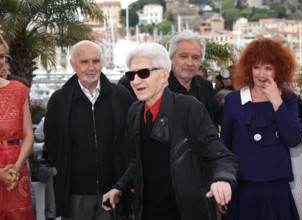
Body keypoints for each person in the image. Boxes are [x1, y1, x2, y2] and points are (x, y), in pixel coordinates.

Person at [102, 42, 238, 220]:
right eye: (131, 75)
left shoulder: (189, 108)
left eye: (143, 73)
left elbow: (222, 156)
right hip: (146, 213)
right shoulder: (135, 112)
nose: (136, 81)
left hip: (185, 213)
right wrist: (119, 187)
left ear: (164, 74)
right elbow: (136, 163)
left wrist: (222, 179)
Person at [44, 40, 132, 219]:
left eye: (96, 61)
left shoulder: (121, 96)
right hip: (76, 194)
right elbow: (53, 142)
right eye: (84, 62)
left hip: (114, 192)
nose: (91, 67)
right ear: (73, 65)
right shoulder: (59, 100)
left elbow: (129, 141)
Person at [220, 38, 302, 220]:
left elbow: (294, 139)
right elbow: (224, 149)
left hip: (276, 190)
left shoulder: (287, 99)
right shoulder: (234, 100)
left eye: (268, 67)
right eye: (256, 67)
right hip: (242, 189)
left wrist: (276, 101)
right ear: (249, 68)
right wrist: (223, 185)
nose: (261, 74)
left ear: (279, 69)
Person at [0, 34, 36, 219]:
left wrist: (17, 166)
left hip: (17, 170)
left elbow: (28, 135)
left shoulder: (19, 90)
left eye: (1, 56)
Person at [168, 30, 223, 126]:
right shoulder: (160, 88)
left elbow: (221, 115)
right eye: (183, 56)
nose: (190, 63)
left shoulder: (205, 86)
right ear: (172, 58)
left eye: (195, 58)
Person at [33, 117, 57, 220]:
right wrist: (43, 146)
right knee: (53, 172)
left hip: (66, 167)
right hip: (44, 165)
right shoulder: (46, 121)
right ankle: (50, 216)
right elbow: (30, 146)